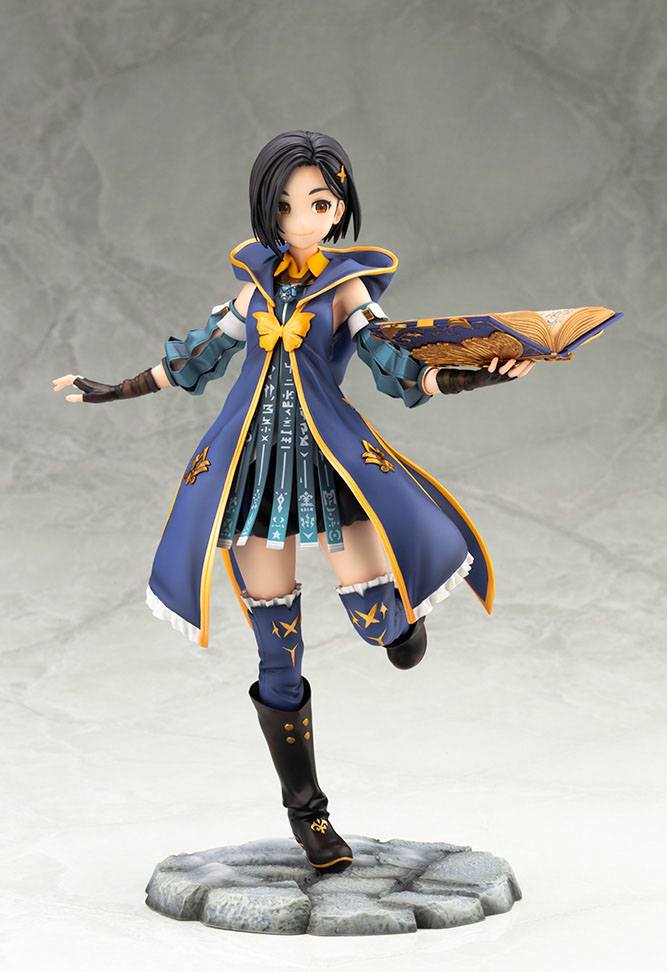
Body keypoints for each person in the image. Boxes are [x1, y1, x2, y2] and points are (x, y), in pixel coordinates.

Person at [52, 130, 534, 873]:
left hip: (332, 465)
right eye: (282, 206)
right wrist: (113, 389)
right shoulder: (252, 286)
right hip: (250, 473)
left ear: (338, 206)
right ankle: (308, 814)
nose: (299, 219)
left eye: (315, 203)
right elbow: (196, 358)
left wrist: (472, 376)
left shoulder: (345, 289)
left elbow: (394, 365)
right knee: (277, 651)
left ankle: (400, 623)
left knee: (377, 625)